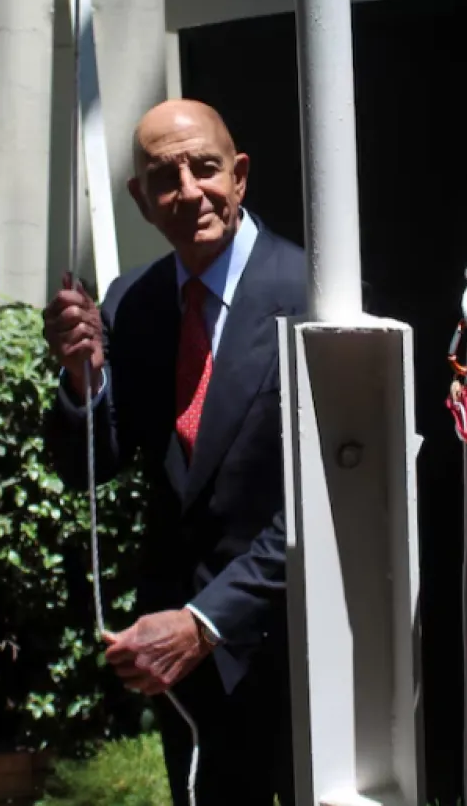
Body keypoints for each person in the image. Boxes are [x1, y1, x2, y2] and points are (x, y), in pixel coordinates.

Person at [43, 99, 303, 806]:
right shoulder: (134, 301)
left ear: (241, 175)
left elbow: (329, 500)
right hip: (179, 655)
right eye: (165, 177)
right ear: (140, 199)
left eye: (207, 169)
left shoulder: (316, 295)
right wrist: (80, 380)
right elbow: (89, 467)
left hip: (289, 642)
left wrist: (210, 620)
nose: (189, 192)